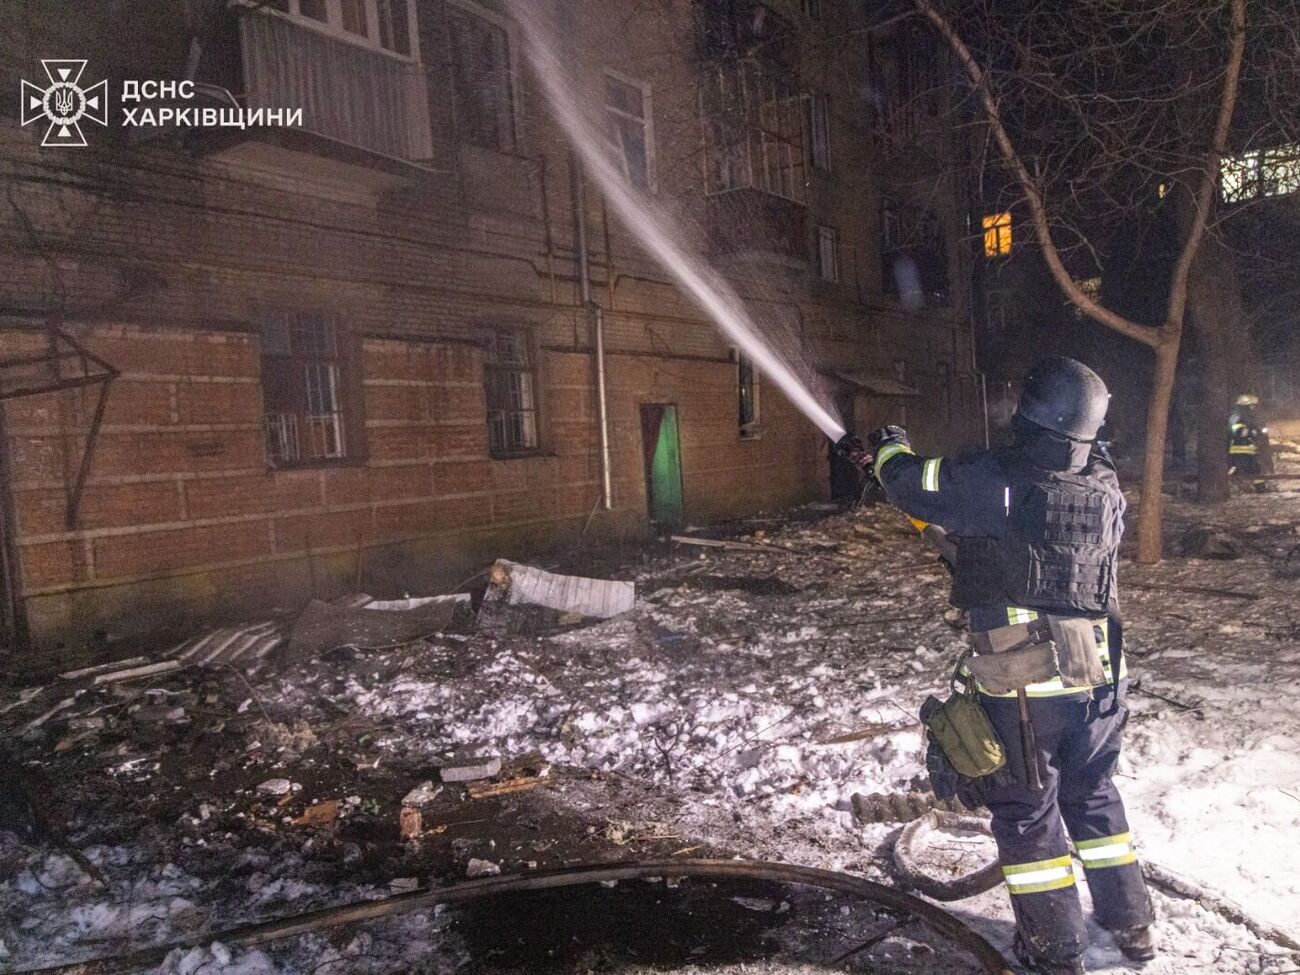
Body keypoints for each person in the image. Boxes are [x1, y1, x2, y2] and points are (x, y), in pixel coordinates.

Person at [836, 357, 1154, 974]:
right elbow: (1028, 549)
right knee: (1094, 797)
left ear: (1031, 413)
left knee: (1027, 814)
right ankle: (1132, 926)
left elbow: (912, 482)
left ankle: (1054, 950)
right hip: (1100, 680)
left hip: (1028, 685)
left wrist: (889, 449)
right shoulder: (1103, 483)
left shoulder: (998, 479)